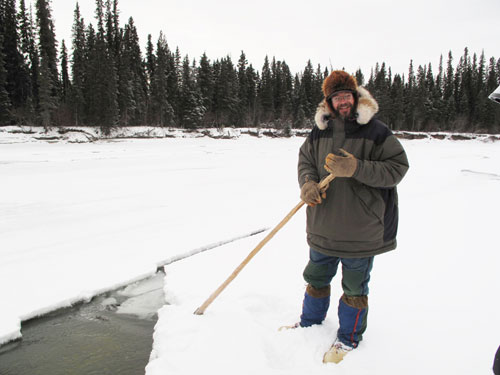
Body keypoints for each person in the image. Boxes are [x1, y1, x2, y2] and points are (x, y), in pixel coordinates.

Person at [295, 70, 409, 363]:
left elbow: (397, 168)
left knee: (355, 288)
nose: (343, 102)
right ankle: (310, 325)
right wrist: (308, 183)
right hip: (323, 226)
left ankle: (348, 339)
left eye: (347, 95)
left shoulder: (377, 131)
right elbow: (306, 160)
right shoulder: (319, 131)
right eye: (337, 97)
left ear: (355, 97)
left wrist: (356, 168)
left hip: (362, 230)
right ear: (329, 102)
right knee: (316, 278)